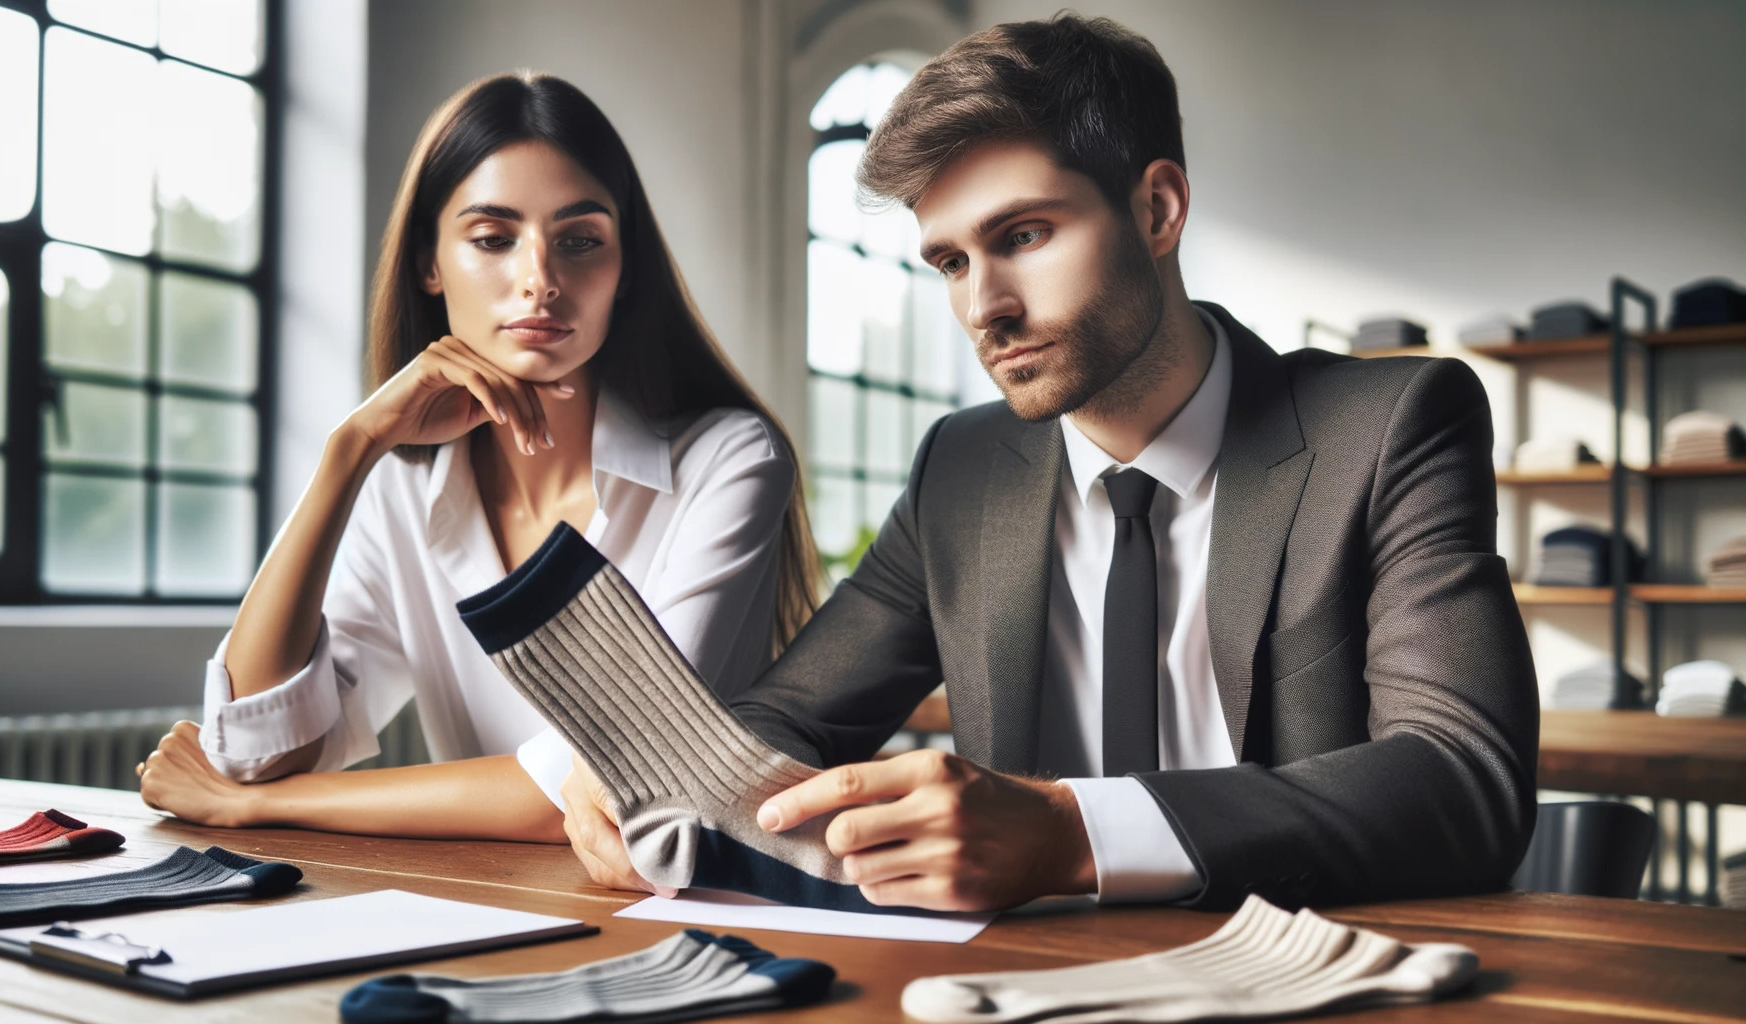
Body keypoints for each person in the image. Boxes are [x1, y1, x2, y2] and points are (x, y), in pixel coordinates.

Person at [560, 13, 1538, 911]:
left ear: (1157, 210)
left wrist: (1074, 831)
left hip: (1307, 977)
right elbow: (794, 715)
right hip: (1019, 985)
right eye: (948, 262)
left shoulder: (1390, 423)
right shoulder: (962, 464)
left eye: (1022, 236)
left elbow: (1460, 777)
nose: (983, 306)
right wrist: (670, 781)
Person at [135, 73, 820, 845]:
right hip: (477, 908)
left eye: (581, 240)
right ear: (431, 262)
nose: (540, 280)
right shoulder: (401, 487)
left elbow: (614, 779)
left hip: (675, 916)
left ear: (624, 269)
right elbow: (254, 752)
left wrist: (263, 809)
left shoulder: (728, 463)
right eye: (493, 239)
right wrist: (349, 451)